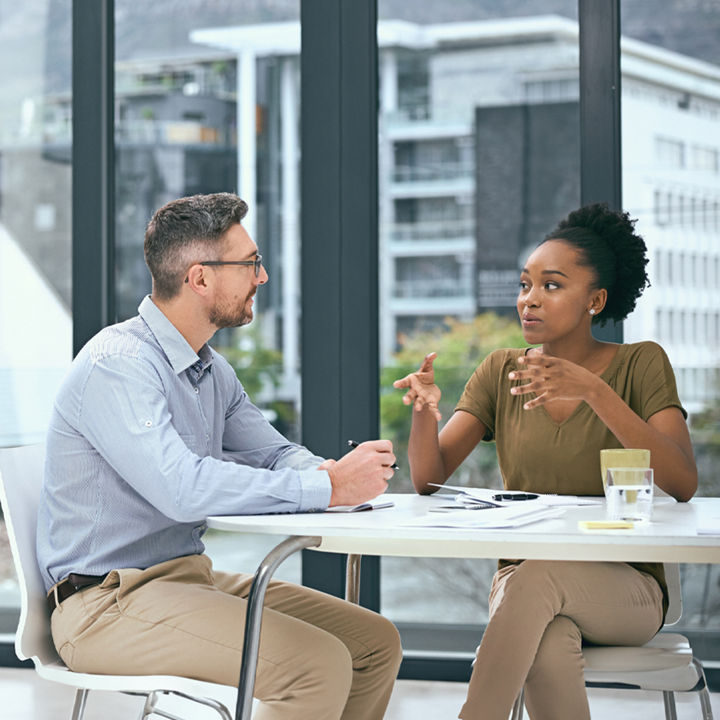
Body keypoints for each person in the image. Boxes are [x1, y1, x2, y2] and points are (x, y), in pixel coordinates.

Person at [37, 192, 402, 720]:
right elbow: (181, 489)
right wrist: (328, 489)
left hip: (185, 578)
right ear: (200, 278)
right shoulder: (119, 364)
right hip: (106, 606)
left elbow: (273, 453)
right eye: (251, 263)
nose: (263, 276)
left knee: (373, 643)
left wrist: (327, 473)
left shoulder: (210, 370)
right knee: (316, 665)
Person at [393, 203, 697, 720]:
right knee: (549, 642)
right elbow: (428, 480)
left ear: (595, 300)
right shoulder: (500, 371)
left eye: (551, 286)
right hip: (523, 588)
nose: (529, 300)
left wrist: (595, 393)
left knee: (537, 579)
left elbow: (682, 481)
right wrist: (426, 411)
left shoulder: (640, 363)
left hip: (627, 589)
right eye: (525, 285)